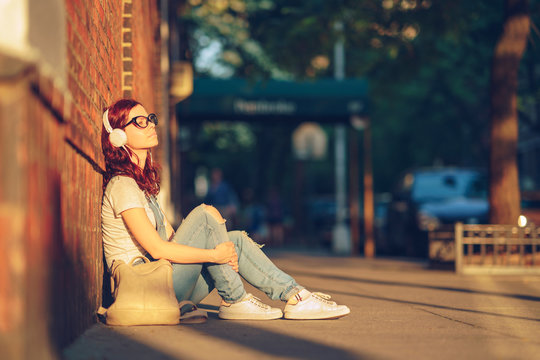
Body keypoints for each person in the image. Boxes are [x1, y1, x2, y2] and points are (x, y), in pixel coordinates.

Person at [100, 99, 350, 321]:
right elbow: (156, 248)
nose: (151, 124)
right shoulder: (123, 184)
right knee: (205, 215)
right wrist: (214, 255)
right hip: (145, 289)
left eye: (150, 119)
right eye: (140, 122)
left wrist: (218, 247)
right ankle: (234, 300)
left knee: (236, 241)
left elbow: (171, 239)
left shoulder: (143, 188)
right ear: (118, 136)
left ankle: (297, 296)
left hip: (165, 283)